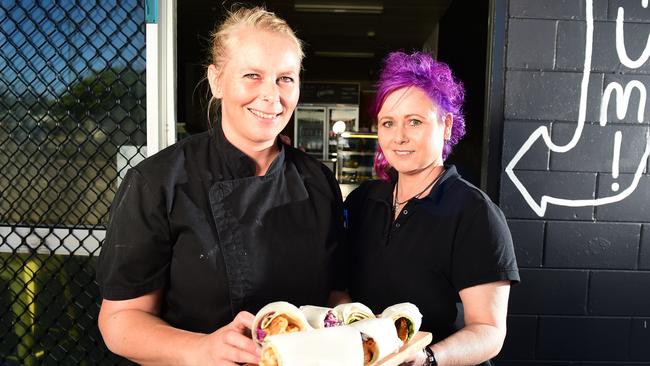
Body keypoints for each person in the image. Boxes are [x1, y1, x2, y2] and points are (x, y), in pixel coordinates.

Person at [97, 6, 345, 365]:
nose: (271, 95)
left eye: (285, 78)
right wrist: (200, 349)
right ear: (216, 81)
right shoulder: (157, 182)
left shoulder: (318, 181)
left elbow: (336, 294)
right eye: (252, 75)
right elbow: (119, 321)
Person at [344, 51, 520, 366]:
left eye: (415, 121)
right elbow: (341, 290)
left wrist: (427, 358)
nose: (399, 137)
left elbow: (489, 330)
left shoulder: (475, 214)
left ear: (447, 125)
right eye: (388, 123)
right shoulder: (362, 201)